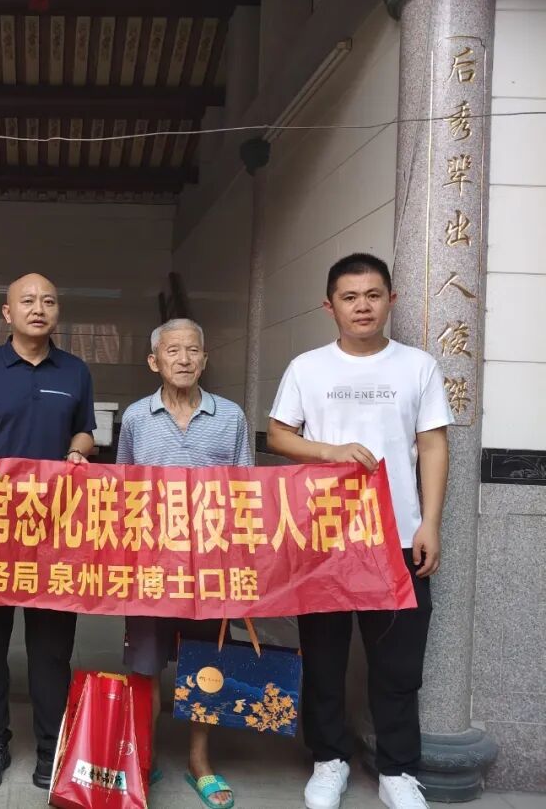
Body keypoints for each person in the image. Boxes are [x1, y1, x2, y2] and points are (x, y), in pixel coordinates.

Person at [266, 253, 451, 809]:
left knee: (398, 662)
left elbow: (433, 445)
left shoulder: (418, 366)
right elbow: (278, 435)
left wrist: (431, 523)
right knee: (323, 657)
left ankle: (398, 770)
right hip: (324, 539)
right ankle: (329, 760)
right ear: (330, 307)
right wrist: (330, 451)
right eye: (350, 297)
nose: (362, 306)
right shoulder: (307, 368)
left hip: (398, 538)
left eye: (372, 295)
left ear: (391, 300)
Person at [0, 273, 96, 792]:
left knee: (51, 647)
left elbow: (85, 428)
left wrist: (78, 451)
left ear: (58, 311)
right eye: (27, 301)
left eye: (48, 301)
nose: (38, 308)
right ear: (7, 313)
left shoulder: (75, 371)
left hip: (57, 529)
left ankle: (50, 744)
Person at [117, 318, 249, 809]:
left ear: (205, 359)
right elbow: (123, 491)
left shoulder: (231, 416)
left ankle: (199, 761)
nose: (184, 359)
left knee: (205, 662)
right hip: (150, 565)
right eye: (173, 351)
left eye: (193, 350)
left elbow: (248, 492)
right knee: (144, 664)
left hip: (210, 568)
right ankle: (143, 755)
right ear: (154, 361)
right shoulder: (136, 418)